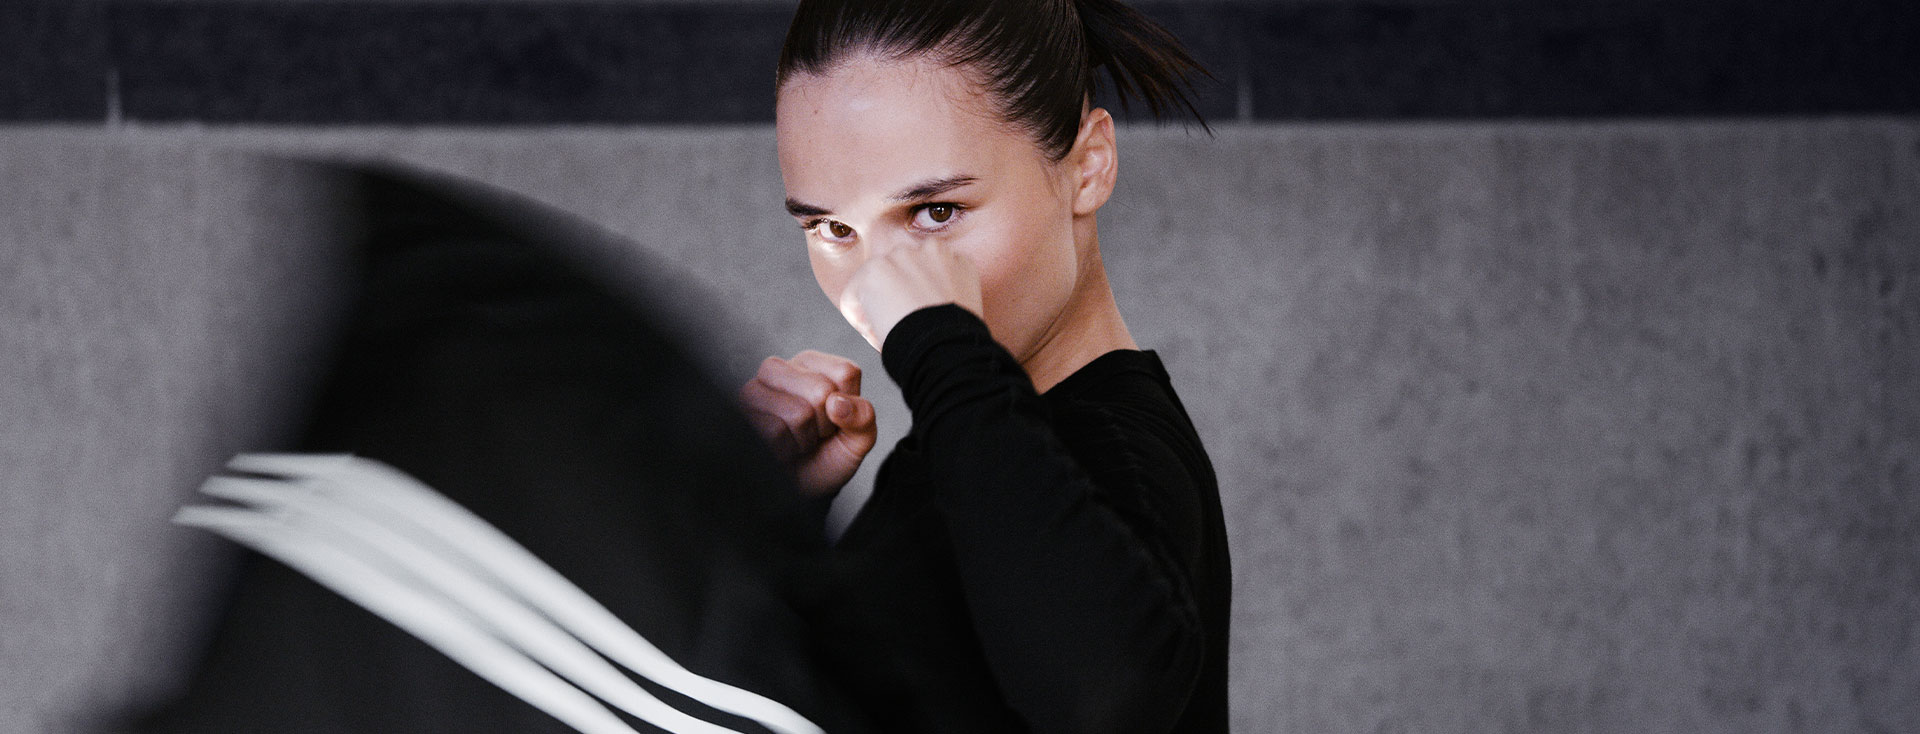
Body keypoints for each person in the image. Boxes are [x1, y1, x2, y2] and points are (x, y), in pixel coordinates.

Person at [736, 1, 1233, 732]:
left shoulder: (1110, 451)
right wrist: (766, 516)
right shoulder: (974, 444)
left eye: (936, 212)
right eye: (833, 228)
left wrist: (938, 345)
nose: (875, 283)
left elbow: (1106, 698)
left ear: (1088, 164)